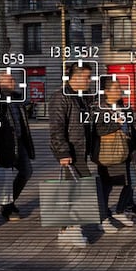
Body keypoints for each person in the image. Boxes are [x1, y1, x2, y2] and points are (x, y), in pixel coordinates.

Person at [49, 62, 93, 247]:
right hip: (71, 152)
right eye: (87, 77)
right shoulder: (61, 97)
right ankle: (73, 231)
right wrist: (63, 152)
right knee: (82, 190)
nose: (90, 80)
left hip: (80, 150)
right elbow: (56, 128)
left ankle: (66, 230)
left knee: (71, 191)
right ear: (76, 77)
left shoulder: (80, 97)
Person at [92, 77, 136, 232]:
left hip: (125, 150)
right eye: (116, 88)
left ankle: (120, 210)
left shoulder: (123, 106)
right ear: (106, 91)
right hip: (108, 151)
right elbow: (98, 130)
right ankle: (104, 217)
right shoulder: (99, 108)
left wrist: (134, 147)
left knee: (130, 182)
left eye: (120, 87)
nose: (120, 90)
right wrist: (116, 124)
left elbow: (130, 129)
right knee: (107, 185)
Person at [0, 72, 35, 221]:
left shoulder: (16, 97)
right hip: (4, 144)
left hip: (20, 142)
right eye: (10, 79)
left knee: (26, 172)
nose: (14, 81)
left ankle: (9, 202)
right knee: (5, 177)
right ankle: (7, 207)